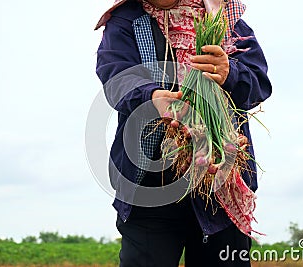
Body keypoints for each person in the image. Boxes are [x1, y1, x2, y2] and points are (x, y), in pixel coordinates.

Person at [95, 0, 272, 266]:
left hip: (219, 185)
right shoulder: (125, 21)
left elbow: (258, 83)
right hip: (150, 187)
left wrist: (228, 72)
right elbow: (116, 78)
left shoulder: (224, 15)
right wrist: (152, 97)